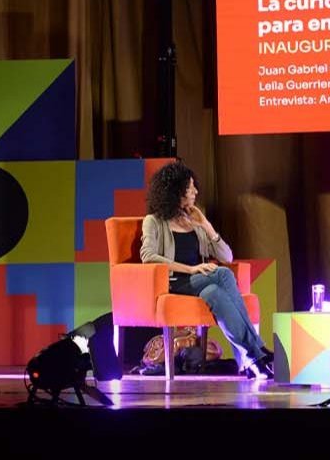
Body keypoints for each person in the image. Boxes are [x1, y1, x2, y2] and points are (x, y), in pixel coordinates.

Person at [71, 162, 273, 380]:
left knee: (215, 292)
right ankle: (257, 351)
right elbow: (147, 256)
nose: (196, 191)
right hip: (173, 282)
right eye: (190, 187)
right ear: (176, 191)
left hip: (200, 284)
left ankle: (251, 361)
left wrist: (206, 225)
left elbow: (227, 257)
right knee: (223, 274)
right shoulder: (154, 222)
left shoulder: (194, 221)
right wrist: (191, 268)